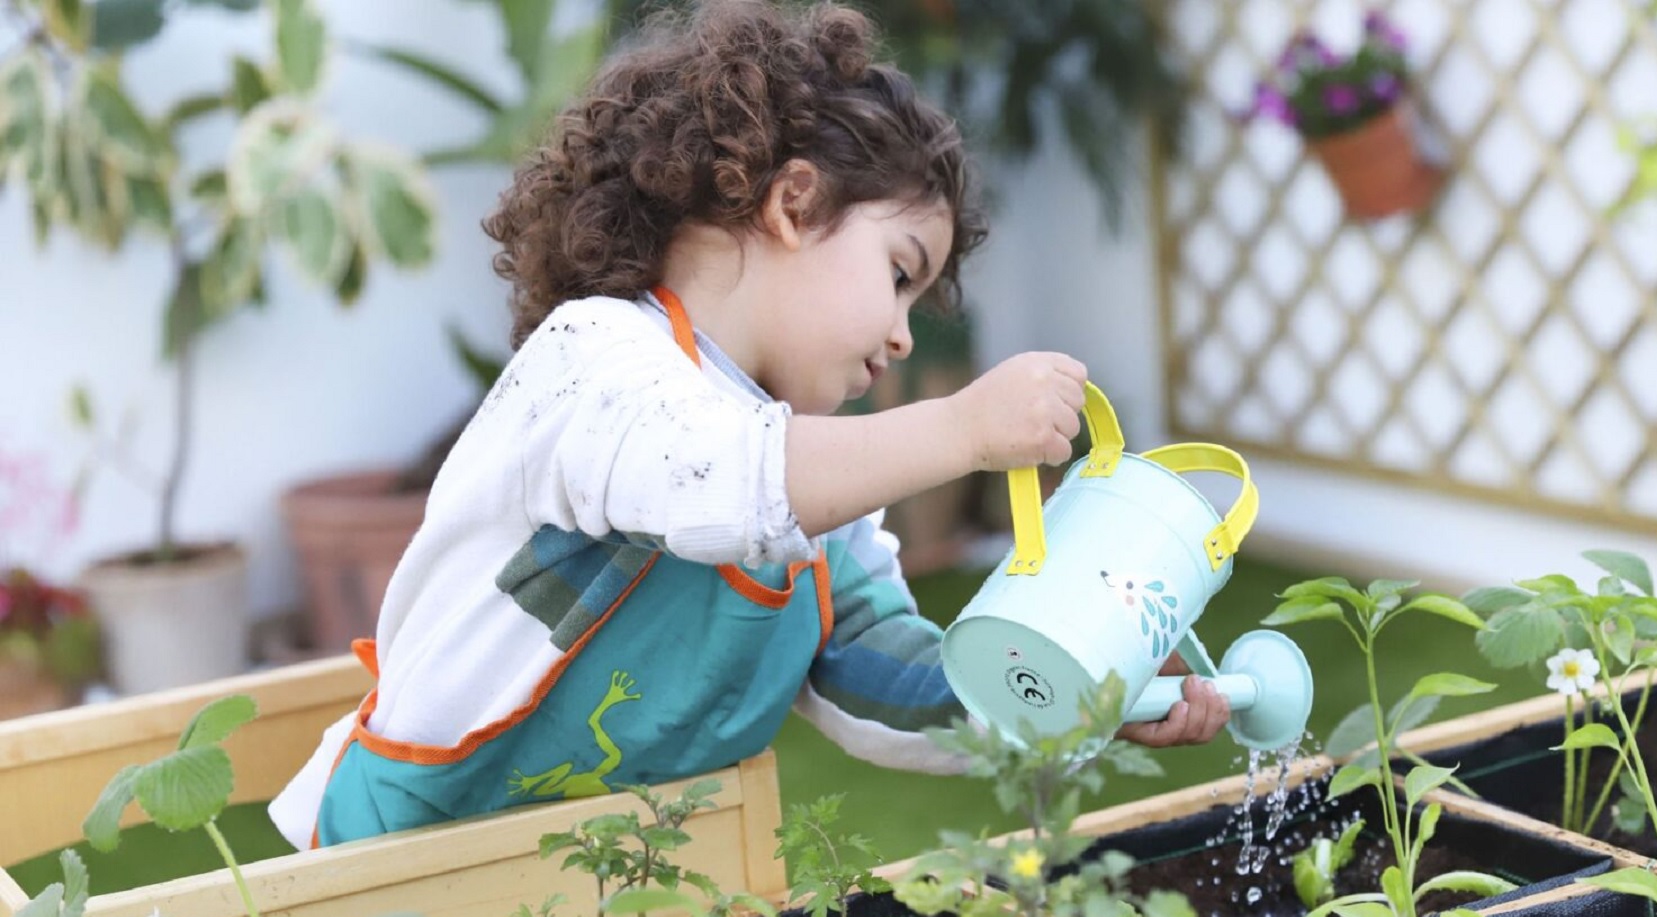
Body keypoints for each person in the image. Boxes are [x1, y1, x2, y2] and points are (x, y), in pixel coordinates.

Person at [269, 0, 1230, 850]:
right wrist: (964, 429)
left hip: (602, 896)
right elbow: (716, 483)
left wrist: (1071, 695)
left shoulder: (816, 495)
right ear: (792, 203)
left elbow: (876, 680)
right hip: (389, 873)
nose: (901, 338)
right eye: (899, 275)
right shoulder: (593, 360)